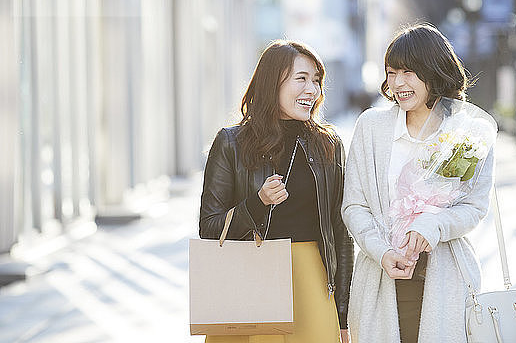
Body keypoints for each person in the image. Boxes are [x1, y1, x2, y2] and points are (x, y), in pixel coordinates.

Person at [342, 24, 496, 342]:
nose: (397, 83)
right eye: (391, 72)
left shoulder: (468, 133)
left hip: (446, 282)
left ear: (434, 71)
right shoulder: (371, 127)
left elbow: (474, 207)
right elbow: (354, 205)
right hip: (380, 278)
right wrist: (381, 250)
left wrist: (432, 225)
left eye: (408, 72)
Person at [199, 40, 353, 343]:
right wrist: (257, 204)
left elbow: (340, 233)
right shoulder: (231, 142)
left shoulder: (328, 144)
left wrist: (344, 315)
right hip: (249, 280)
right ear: (273, 82)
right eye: (302, 79)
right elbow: (209, 227)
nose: (312, 90)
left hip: (313, 281)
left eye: (317, 81)